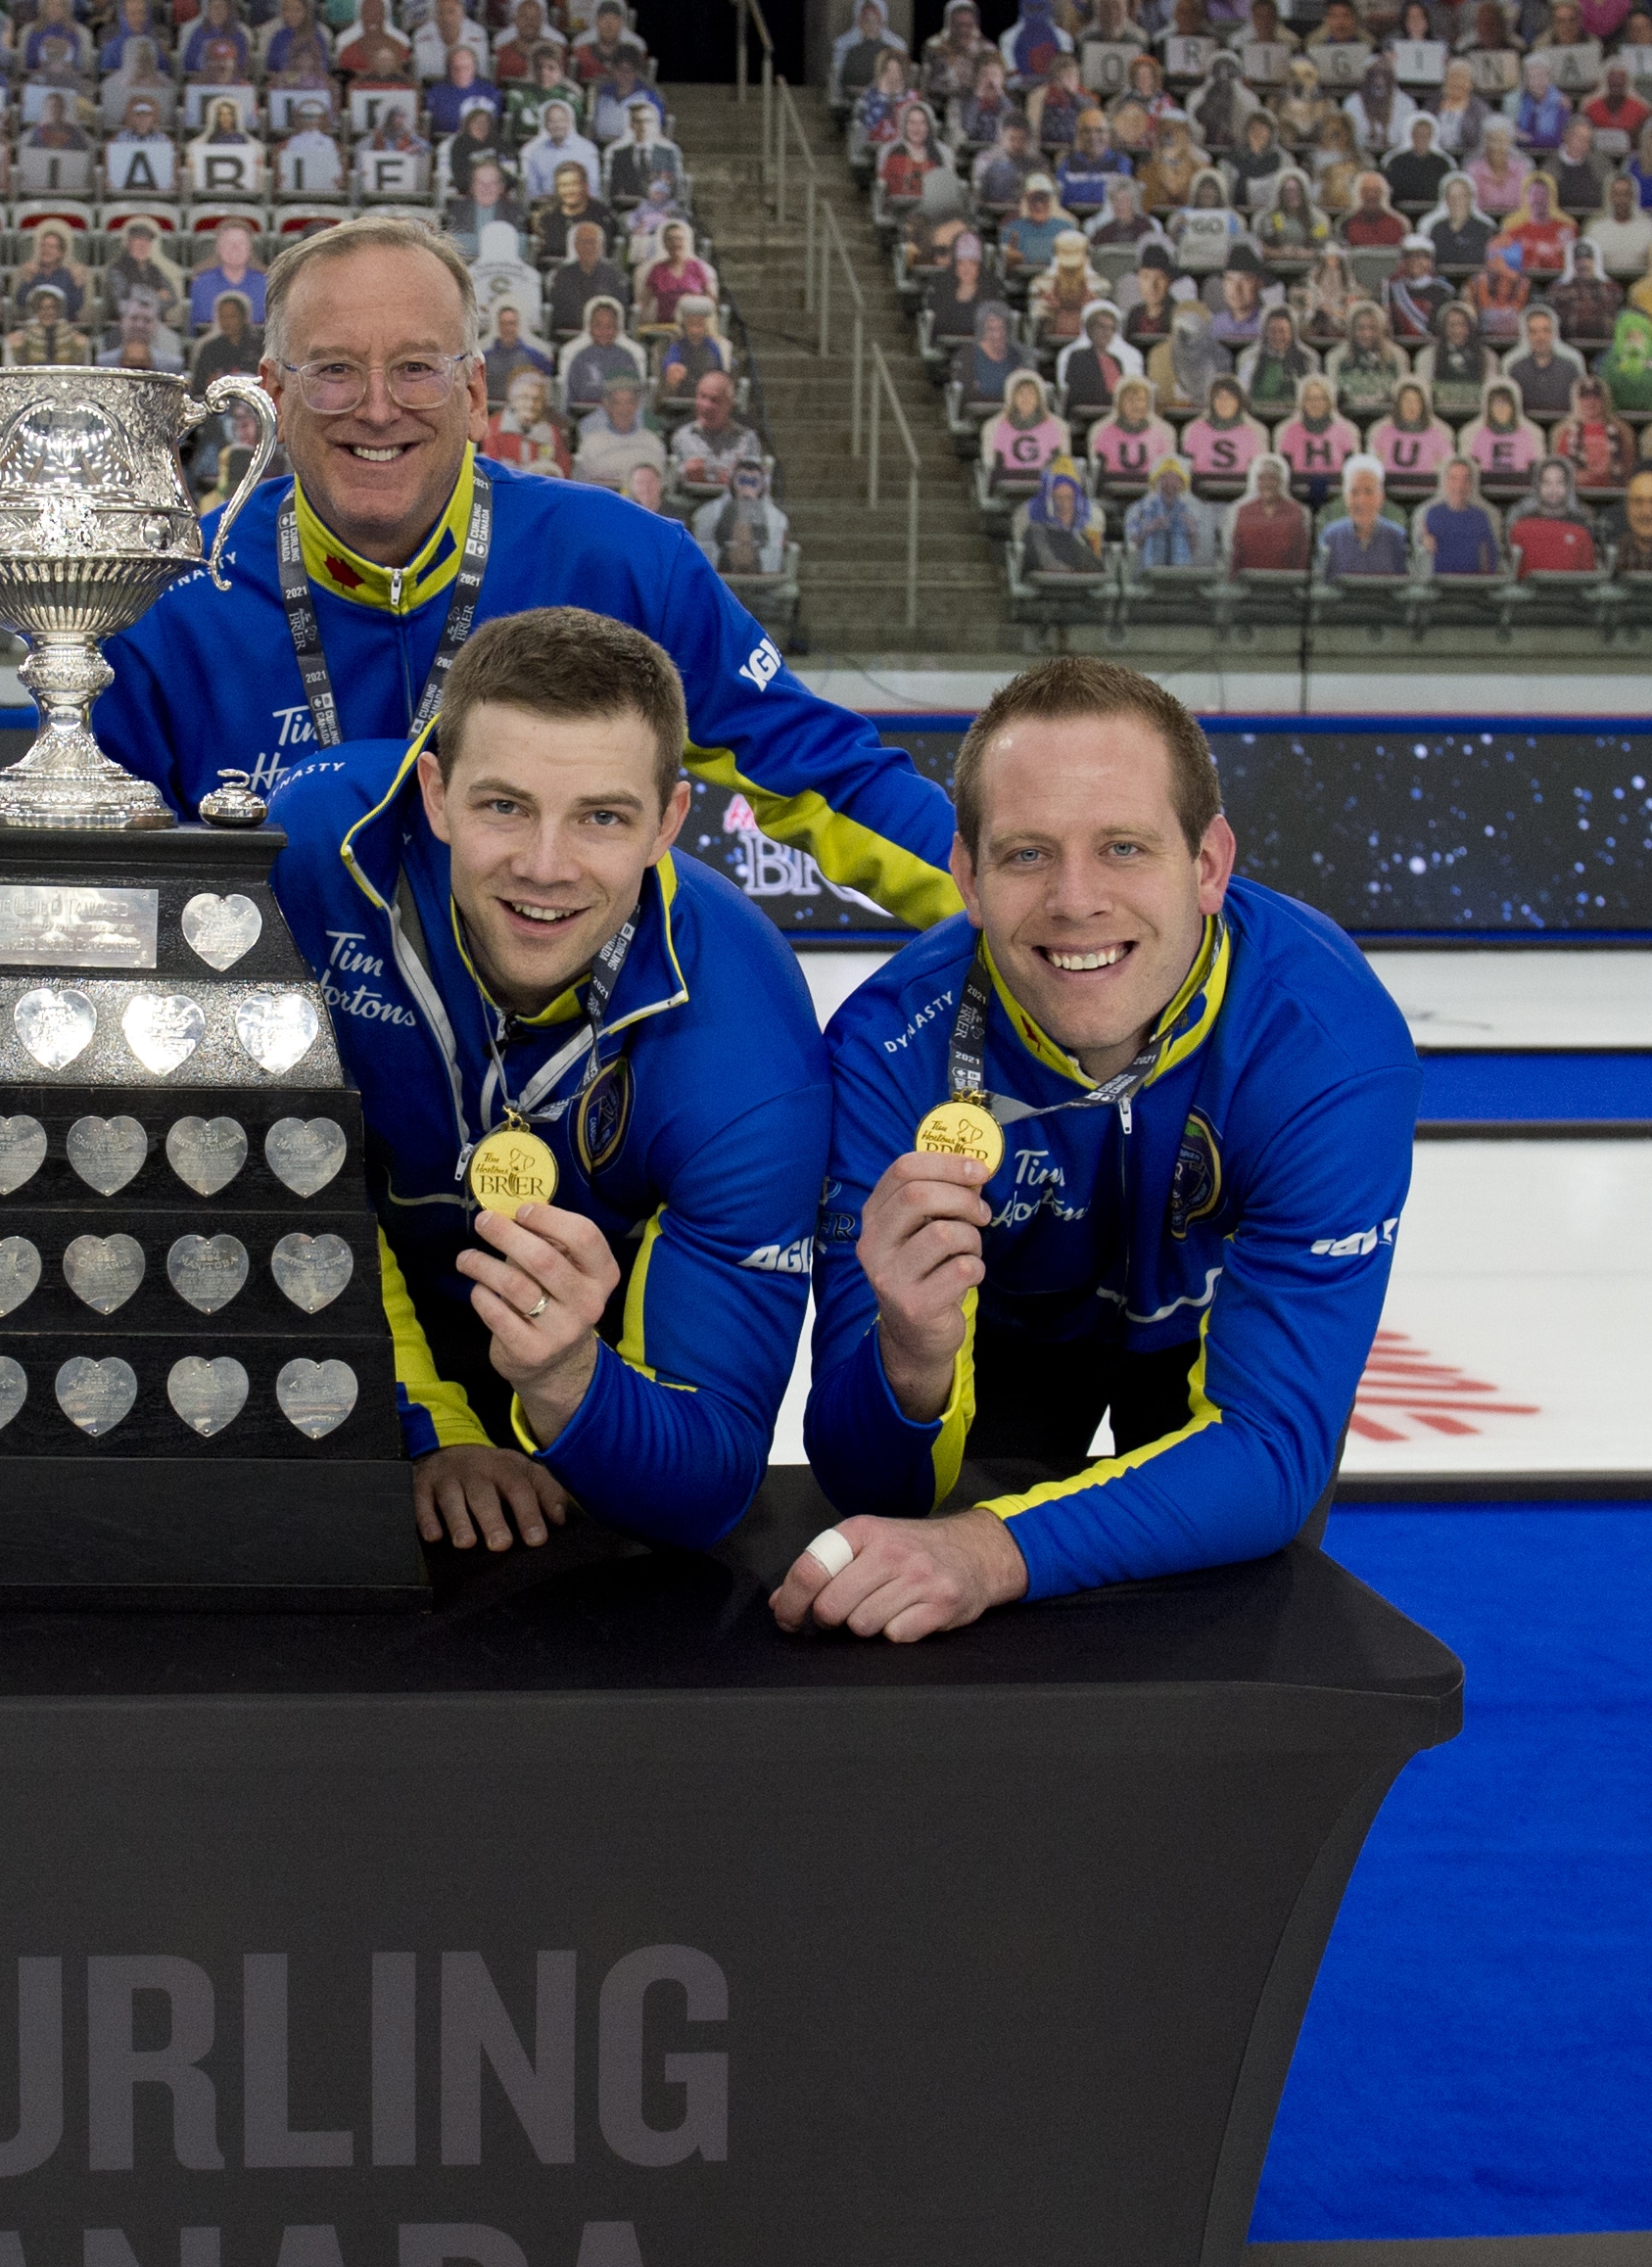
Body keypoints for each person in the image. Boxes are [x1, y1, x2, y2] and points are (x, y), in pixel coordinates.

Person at [779, 658, 1418, 1643]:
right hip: (1005, 1346)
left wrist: (990, 1551)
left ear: (1207, 865)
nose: (1077, 901)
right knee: (939, 1653)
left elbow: (1266, 1454)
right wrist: (909, 1354)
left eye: (1122, 847)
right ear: (968, 877)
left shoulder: (1327, 1048)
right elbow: (862, 1477)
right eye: (1028, 854)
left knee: (1225, 1636)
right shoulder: (884, 1050)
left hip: (1214, 1350)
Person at [91, 219, 960, 921]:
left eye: (418, 369)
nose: (380, 407)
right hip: (280, 1054)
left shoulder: (622, 561)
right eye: (334, 373)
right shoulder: (167, 595)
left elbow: (820, 770)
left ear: (475, 396)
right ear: (272, 398)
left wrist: (1015, 905)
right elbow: (99, 885)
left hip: (568, 1051)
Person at [263, 606, 827, 1557]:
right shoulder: (314, 852)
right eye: (503, 806)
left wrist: (566, 1377)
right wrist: (426, 1423)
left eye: (601, 816)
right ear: (436, 795)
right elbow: (276, 1176)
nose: (545, 866)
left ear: (668, 821)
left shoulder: (749, 1057)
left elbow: (714, 1476)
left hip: (594, 1429)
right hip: (331, 1360)